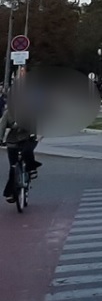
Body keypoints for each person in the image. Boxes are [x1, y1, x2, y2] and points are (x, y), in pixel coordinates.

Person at [2, 75, 42, 204]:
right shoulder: (8, 113)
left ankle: (31, 168)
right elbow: (2, 126)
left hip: (27, 138)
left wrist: (34, 134)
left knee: (26, 152)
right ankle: (10, 193)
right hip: (13, 141)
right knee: (13, 167)